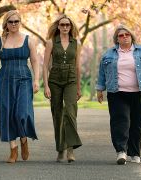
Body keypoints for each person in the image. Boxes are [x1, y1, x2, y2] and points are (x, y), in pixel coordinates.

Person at [96, 25, 141, 165]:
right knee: (120, 121)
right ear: (117, 39)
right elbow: (102, 72)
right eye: (121, 35)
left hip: (138, 92)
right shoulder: (109, 54)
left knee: (137, 123)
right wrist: (99, 89)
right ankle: (121, 151)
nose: (124, 37)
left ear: (131, 36)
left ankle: (135, 153)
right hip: (117, 93)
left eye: (127, 34)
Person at [0, 10, 39, 163]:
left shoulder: (28, 40)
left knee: (22, 113)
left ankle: (24, 140)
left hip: (24, 78)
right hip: (4, 80)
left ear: (20, 22)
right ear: (6, 24)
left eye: (16, 21)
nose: (13, 24)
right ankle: (13, 149)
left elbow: (35, 62)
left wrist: (36, 80)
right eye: (10, 22)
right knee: (7, 113)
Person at [42, 14, 82, 163]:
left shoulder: (76, 43)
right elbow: (45, 65)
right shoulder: (51, 42)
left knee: (70, 112)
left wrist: (78, 87)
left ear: (71, 27)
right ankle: (60, 149)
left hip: (71, 79)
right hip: (55, 80)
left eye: (67, 25)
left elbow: (78, 66)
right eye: (62, 25)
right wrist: (45, 86)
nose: (65, 27)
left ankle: (70, 149)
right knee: (57, 114)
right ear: (58, 27)